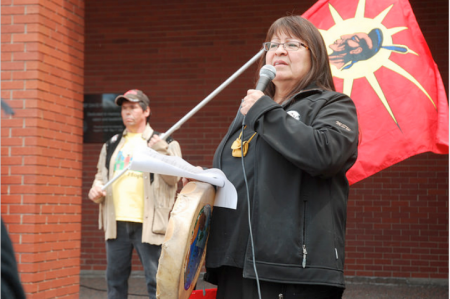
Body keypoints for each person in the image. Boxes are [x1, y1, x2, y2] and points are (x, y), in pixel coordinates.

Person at [200, 15, 359, 299]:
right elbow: (238, 174)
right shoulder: (250, 111)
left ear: (316, 57)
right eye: (273, 44)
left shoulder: (333, 104)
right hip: (235, 263)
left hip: (294, 269)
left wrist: (265, 111)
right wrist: (202, 182)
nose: (280, 50)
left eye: (293, 44)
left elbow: (326, 154)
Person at [88, 89, 182, 299]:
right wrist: (95, 188)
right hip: (116, 223)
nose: (127, 112)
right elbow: (101, 176)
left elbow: (173, 179)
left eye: (133, 107)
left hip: (149, 224)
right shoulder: (112, 144)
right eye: (124, 108)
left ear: (146, 111)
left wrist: (162, 150)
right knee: (115, 282)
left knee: (156, 282)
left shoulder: (165, 140)